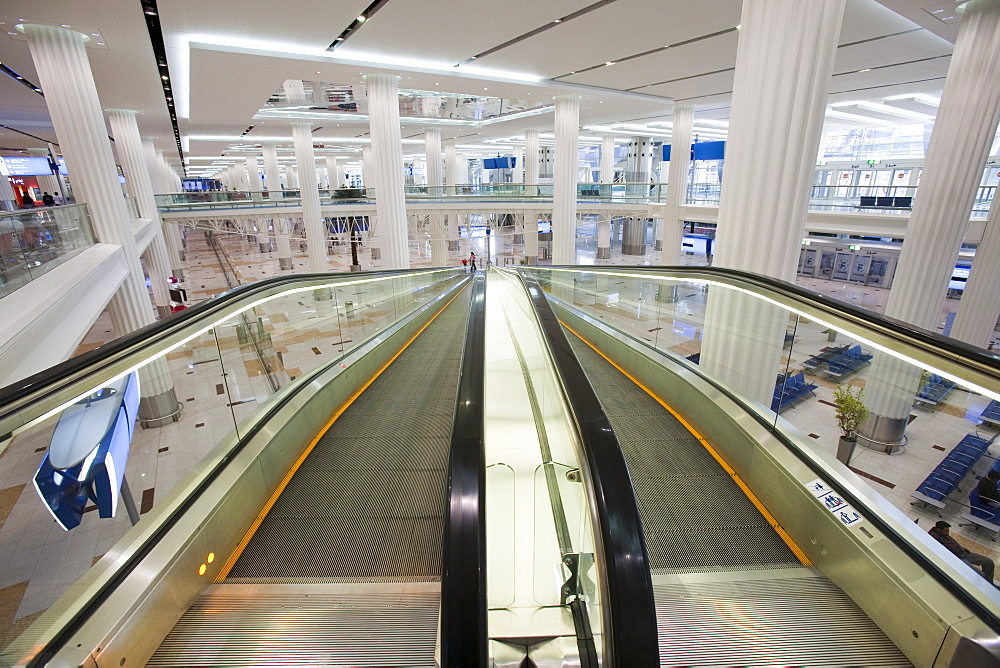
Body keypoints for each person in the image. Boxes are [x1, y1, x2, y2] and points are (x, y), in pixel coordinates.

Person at [928, 520, 995, 583]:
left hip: (963, 553)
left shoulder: (943, 533)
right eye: (946, 531)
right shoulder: (934, 537)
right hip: (957, 558)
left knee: (989, 562)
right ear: (938, 529)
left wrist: (961, 547)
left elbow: (951, 543)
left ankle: (990, 584)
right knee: (980, 575)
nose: (947, 532)